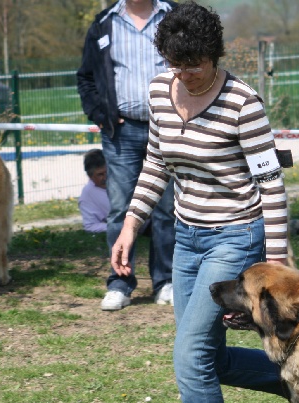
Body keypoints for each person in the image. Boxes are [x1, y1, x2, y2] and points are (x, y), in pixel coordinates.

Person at [111, 1, 290, 403]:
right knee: (211, 357)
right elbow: (154, 163)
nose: (185, 75)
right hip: (186, 238)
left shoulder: (242, 103)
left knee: (190, 358)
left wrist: (274, 265)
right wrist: (130, 226)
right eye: (175, 64)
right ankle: (294, 379)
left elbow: (271, 187)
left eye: (195, 65)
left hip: (236, 236)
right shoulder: (159, 91)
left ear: (214, 55)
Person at [77, 0, 176, 310]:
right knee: (120, 209)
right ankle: (120, 283)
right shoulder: (103, 23)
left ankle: (166, 281)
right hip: (122, 132)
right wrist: (100, 114)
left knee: (166, 209)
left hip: (168, 127)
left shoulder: (173, 16)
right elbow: (86, 77)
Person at [79, 149, 109, 233]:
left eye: (107, 172)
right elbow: (90, 225)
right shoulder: (88, 194)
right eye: (100, 174)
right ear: (90, 176)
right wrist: (118, 227)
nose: (106, 177)